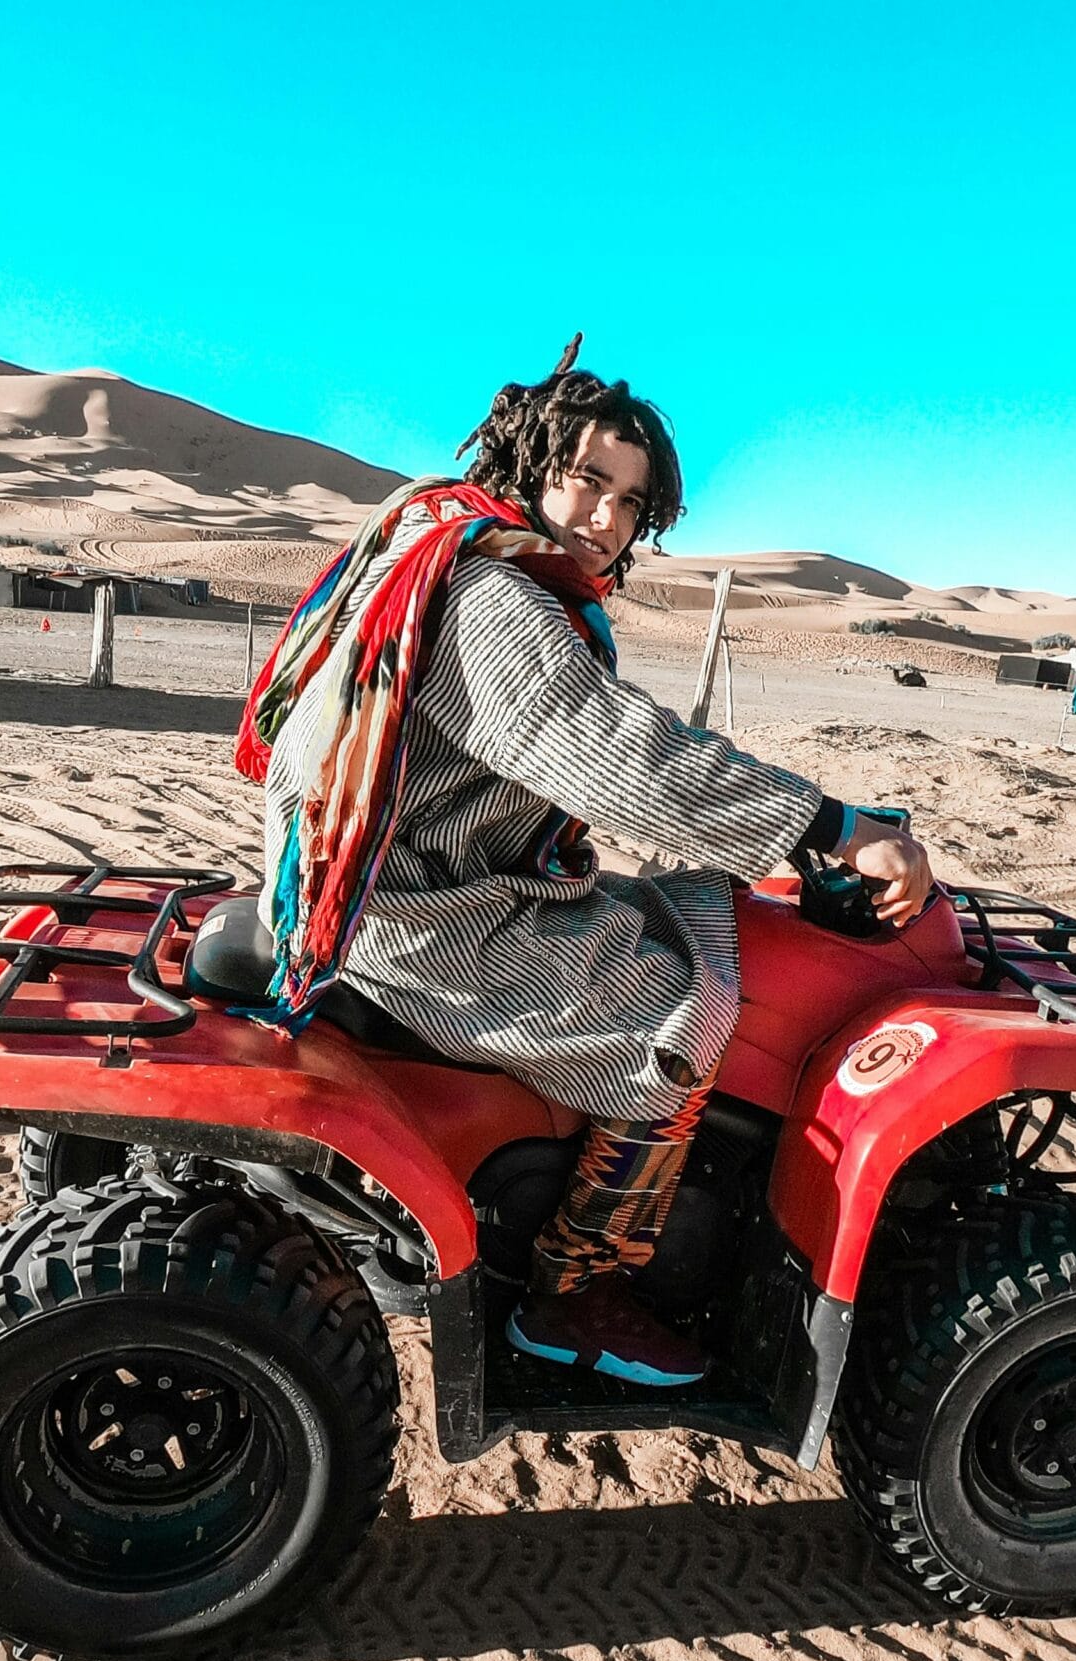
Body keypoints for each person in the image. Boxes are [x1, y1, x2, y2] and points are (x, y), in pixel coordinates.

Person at [240, 339, 930, 1387]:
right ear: (529, 465)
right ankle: (575, 1290)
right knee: (685, 1013)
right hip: (426, 915)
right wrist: (825, 826)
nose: (605, 517)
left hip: (417, 871)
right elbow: (611, 752)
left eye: (630, 501)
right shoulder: (492, 598)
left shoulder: (432, 541)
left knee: (699, 906)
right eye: (587, 481)